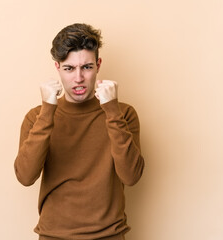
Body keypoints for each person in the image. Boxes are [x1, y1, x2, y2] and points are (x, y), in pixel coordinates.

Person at [14, 23, 144, 240]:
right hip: (54, 235)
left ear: (98, 65)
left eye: (86, 67)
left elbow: (131, 176)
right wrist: (48, 111)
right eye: (69, 68)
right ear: (57, 68)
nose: (78, 78)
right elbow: (25, 176)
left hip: (110, 235)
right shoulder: (37, 117)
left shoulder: (123, 113)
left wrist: (111, 110)